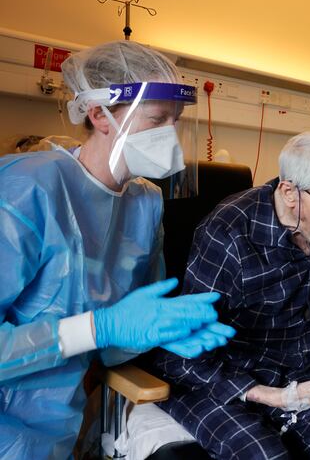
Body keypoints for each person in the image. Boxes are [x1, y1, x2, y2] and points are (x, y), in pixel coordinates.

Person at [0, 41, 233, 459]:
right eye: (158, 119)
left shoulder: (144, 203)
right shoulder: (25, 192)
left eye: (176, 121)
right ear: (99, 115)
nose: (171, 136)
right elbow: (102, 328)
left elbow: (118, 335)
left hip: (59, 426)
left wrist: (159, 332)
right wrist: (97, 327)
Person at [152, 131, 310, 459]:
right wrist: (274, 397)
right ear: (290, 192)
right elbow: (179, 355)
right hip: (218, 380)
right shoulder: (229, 233)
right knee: (265, 455)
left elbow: (298, 298)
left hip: (294, 371)